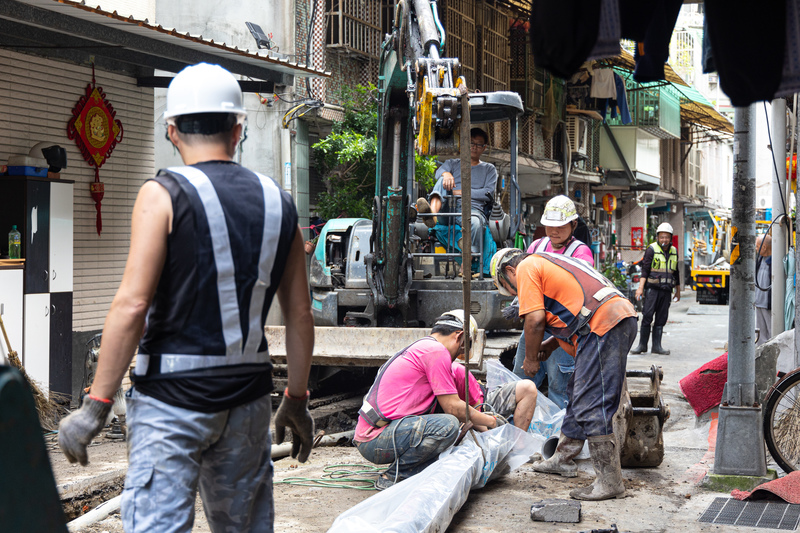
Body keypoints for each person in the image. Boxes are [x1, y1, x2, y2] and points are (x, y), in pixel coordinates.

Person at [57, 63, 314, 532]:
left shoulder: (161, 195)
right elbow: (299, 313)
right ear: (238, 129)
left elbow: (133, 305)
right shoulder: (281, 202)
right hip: (248, 401)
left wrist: (96, 405)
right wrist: (296, 398)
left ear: (172, 131)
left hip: (171, 403)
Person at [490, 247, 637, 500]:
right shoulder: (550, 262)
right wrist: (549, 344)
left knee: (592, 401)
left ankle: (610, 481)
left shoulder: (527, 267)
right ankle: (563, 457)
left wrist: (530, 359)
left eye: (511, 288)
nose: (516, 294)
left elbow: (535, 320)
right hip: (609, 318)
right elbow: (572, 310)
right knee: (577, 393)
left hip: (604, 325)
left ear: (509, 271)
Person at [354, 310, 504, 490]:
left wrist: (486, 430)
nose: (458, 356)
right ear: (460, 337)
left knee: (447, 423)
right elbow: (454, 409)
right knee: (447, 425)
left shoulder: (424, 346)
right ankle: (393, 476)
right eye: (465, 347)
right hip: (376, 439)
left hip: (376, 434)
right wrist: (492, 421)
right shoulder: (436, 351)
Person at [511, 195, 594, 409]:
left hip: (563, 329)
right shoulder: (537, 246)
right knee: (519, 382)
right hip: (534, 324)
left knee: (561, 389)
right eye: (550, 226)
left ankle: (559, 438)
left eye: (560, 226)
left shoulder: (580, 252)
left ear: (573, 224)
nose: (554, 231)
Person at [416, 128, 497, 264]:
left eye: (478, 144)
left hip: (472, 210)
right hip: (447, 208)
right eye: (471, 143)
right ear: (464, 144)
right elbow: (438, 173)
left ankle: (467, 263)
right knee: (442, 179)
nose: (474, 147)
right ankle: (432, 215)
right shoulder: (452, 163)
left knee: (476, 222)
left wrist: (462, 192)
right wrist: (446, 174)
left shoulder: (489, 169)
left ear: (484, 148)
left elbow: (487, 193)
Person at [631, 222, 680, 355]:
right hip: (652, 289)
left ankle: (657, 347)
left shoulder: (674, 251)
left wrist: (678, 291)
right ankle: (642, 346)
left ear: (670, 238)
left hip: (666, 290)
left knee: (661, 318)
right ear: (657, 237)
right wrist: (640, 288)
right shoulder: (651, 249)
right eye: (662, 237)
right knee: (647, 315)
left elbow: (676, 272)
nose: (664, 240)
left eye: (667, 237)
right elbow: (645, 270)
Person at [451, 361, 538, 431]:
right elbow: (464, 413)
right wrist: (488, 429)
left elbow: (476, 407)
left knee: (527, 388)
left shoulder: (457, 370)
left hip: (482, 406)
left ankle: (518, 444)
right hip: (463, 420)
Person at [755, 234, 773, 346]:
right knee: (760, 335)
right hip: (759, 303)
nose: (756, 249)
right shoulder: (760, 259)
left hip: (768, 305)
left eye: (757, 246)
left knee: (772, 332)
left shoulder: (774, 262)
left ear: (764, 247)